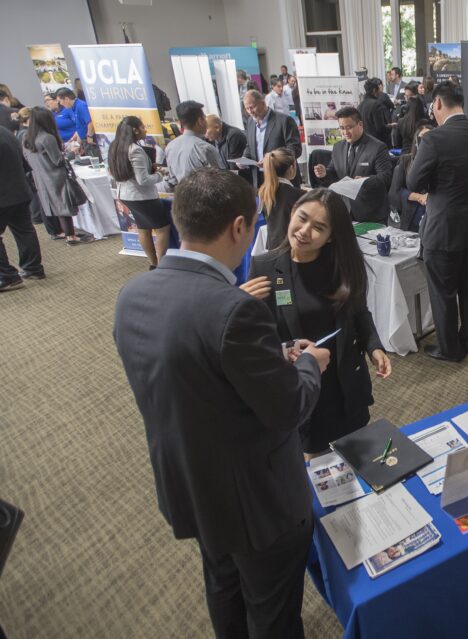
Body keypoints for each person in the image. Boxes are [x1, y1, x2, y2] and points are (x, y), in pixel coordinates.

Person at [113, 168, 329, 638]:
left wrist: (272, 358)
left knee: (224, 591)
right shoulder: (234, 309)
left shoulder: (132, 294)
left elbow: (194, 375)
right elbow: (290, 408)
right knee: (273, 612)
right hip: (259, 504)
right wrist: (309, 364)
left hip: (193, 487)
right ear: (238, 227)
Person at [241, 189, 392, 455]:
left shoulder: (344, 267)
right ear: (291, 214)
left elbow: (359, 313)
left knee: (359, 458)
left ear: (331, 236)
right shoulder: (265, 266)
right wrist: (239, 304)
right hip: (299, 382)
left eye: (318, 227)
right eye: (302, 218)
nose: (304, 231)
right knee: (316, 466)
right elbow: (258, 338)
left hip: (344, 384)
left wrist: (374, 347)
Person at [406, 81, 468, 362]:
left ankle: (449, 349)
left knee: (443, 292)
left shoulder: (433, 139)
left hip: (443, 230)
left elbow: (413, 181)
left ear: (438, 103)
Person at [311, 106, 393, 223]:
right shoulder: (338, 147)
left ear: (360, 124)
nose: (345, 132)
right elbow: (334, 172)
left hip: (370, 211)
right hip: (344, 210)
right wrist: (325, 173)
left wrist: (365, 181)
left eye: (349, 127)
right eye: (341, 128)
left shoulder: (377, 147)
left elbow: (386, 177)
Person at [108, 116, 171, 268]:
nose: (145, 130)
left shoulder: (115, 147)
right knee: (162, 228)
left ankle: (153, 263)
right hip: (142, 196)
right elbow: (143, 180)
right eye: (143, 127)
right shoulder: (135, 150)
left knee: (143, 228)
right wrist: (161, 175)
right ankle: (161, 265)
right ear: (135, 130)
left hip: (126, 194)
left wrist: (151, 167)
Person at [22, 107, 89, 245]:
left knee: (56, 207)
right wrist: (72, 152)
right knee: (63, 206)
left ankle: (68, 234)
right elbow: (58, 161)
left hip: (40, 178)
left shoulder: (26, 138)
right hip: (56, 177)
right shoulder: (47, 138)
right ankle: (71, 236)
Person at [0, 126, 45, 291]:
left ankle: (7, 275)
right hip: (20, 191)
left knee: (24, 231)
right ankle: (33, 269)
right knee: (24, 231)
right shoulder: (5, 132)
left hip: (4, 197)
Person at [242, 89, 302, 180]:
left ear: (263, 103)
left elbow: (295, 148)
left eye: (252, 107)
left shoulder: (284, 121)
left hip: (281, 177)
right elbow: (249, 145)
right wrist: (244, 158)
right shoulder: (250, 122)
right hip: (260, 178)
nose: (250, 112)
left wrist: (272, 160)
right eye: (247, 108)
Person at [164, 101, 225, 188]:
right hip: (205, 199)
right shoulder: (205, 148)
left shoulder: (170, 146)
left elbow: (172, 179)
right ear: (200, 121)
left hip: (182, 197)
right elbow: (220, 180)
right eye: (204, 118)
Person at [389, 123, 433, 231]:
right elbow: (395, 192)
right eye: (422, 138)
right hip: (412, 215)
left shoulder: (441, 162)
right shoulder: (406, 161)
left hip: (434, 217)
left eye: (429, 137)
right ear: (416, 141)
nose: (425, 141)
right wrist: (419, 197)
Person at [258, 149, 303, 247]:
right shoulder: (299, 195)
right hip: (291, 247)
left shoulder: (263, 192)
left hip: (272, 245)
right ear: (291, 168)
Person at [357, 80, 391, 145]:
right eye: (379, 90)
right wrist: (390, 127)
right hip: (378, 142)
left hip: (365, 142)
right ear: (374, 90)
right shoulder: (376, 104)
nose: (380, 93)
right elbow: (380, 128)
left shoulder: (360, 105)